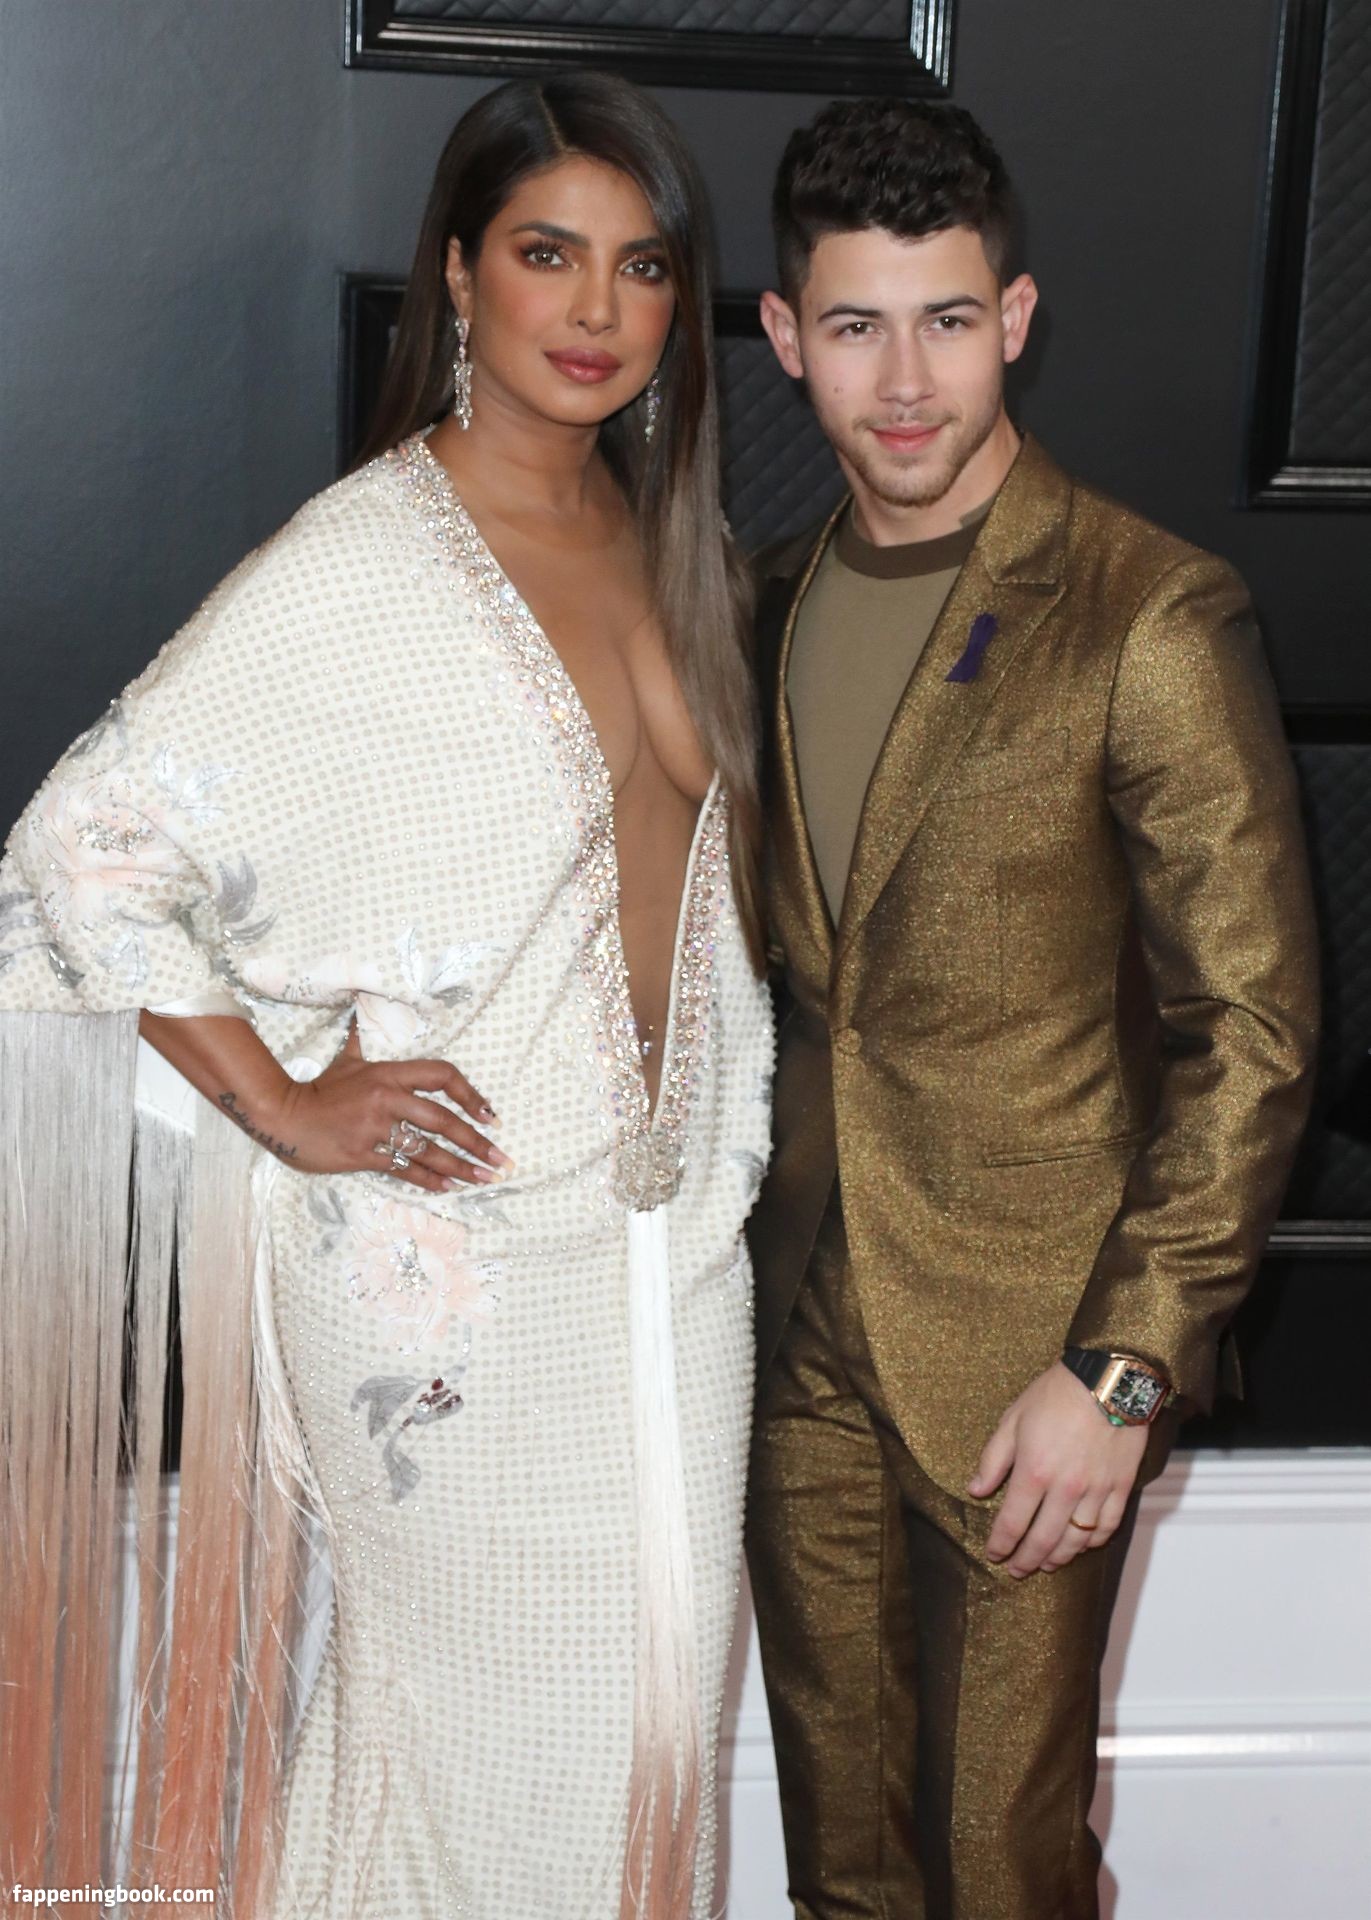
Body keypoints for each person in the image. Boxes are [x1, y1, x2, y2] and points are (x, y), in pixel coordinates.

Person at [0, 72, 772, 1920]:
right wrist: (279, 1100)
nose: (595, 309)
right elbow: (80, 848)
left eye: (641, 266)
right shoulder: (364, 564)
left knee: (651, 1761)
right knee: (477, 1773)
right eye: (546, 254)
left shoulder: (673, 547)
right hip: (455, 1276)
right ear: (458, 274)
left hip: (676, 1264)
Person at [743, 96, 1318, 1920]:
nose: (904, 380)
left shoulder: (1149, 611)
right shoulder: (756, 605)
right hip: (792, 1333)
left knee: (1002, 1874)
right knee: (844, 1871)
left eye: (946, 320)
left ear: (1016, 316)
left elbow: (1256, 1032)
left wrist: (1121, 1372)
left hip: (1034, 1356)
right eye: (856, 325)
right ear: (786, 336)